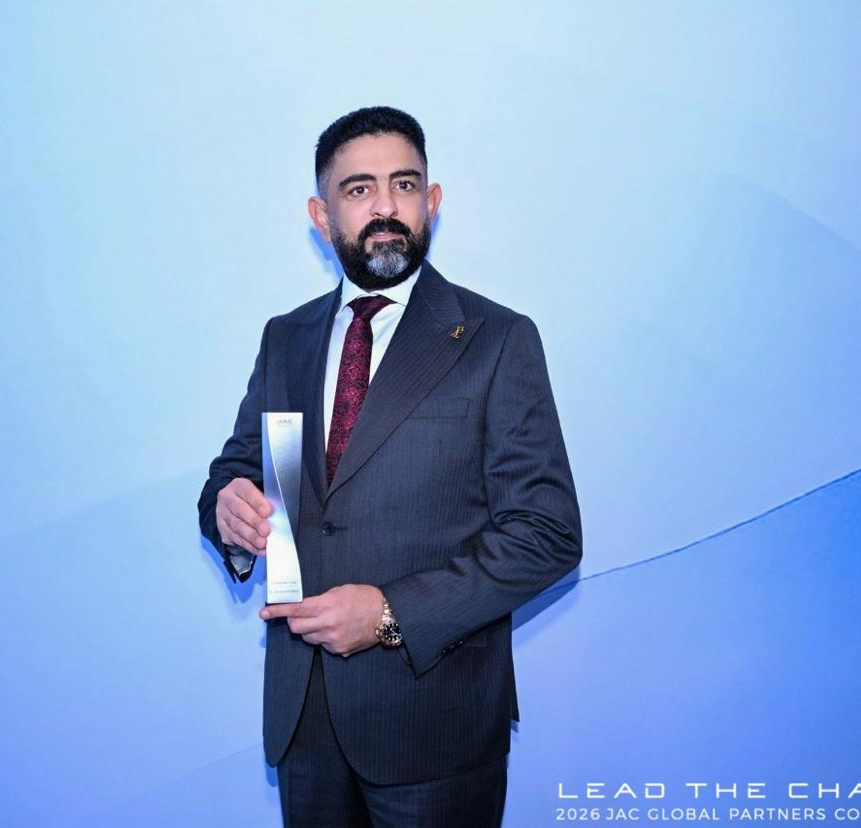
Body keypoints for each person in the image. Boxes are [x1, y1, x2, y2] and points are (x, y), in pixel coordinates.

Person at [197, 106, 582, 828]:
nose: (385, 207)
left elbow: (547, 535)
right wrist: (227, 511)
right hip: (303, 721)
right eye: (359, 189)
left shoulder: (497, 339)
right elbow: (239, 468)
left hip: (435, 725)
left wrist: (387, 614)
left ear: (431, 200)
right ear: (321, 216)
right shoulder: (286, 338)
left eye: (403, 185)